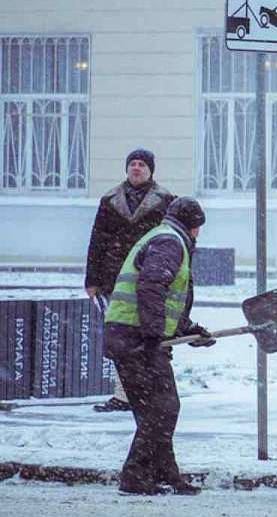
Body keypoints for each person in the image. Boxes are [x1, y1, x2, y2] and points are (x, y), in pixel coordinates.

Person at [103, 196, 215, 496]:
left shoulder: (163, 237)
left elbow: (163, 300)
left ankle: (165, 475)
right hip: (135, 338)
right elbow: (151, 287)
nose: (198, 235)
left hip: (130, 335)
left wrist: (188, 330)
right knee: (163, 409)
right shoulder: (170, 242)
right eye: (198, 228)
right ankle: (135, 476)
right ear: (193, 226)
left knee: (155, 412)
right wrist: (154, 338)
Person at [85, 149, 175, 412]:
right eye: (132, 164)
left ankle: (150, 391)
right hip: (116, 279)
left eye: (142, 165)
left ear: (150, 170)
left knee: (152, 334)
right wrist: (92, 278)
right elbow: (97, 241)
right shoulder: (110, 200)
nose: (136, 168)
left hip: (152, 277)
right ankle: (124, 394)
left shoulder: (166, 200)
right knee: (121, 338)